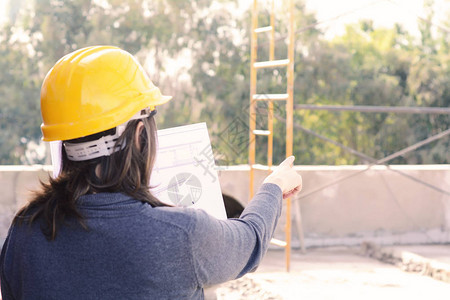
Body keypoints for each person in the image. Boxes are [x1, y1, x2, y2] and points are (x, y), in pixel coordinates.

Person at [0, 46, 302, 299]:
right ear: (140, 135)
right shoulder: (179, 234)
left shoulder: (26, 232)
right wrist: (274, 185)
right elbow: (250, 240)